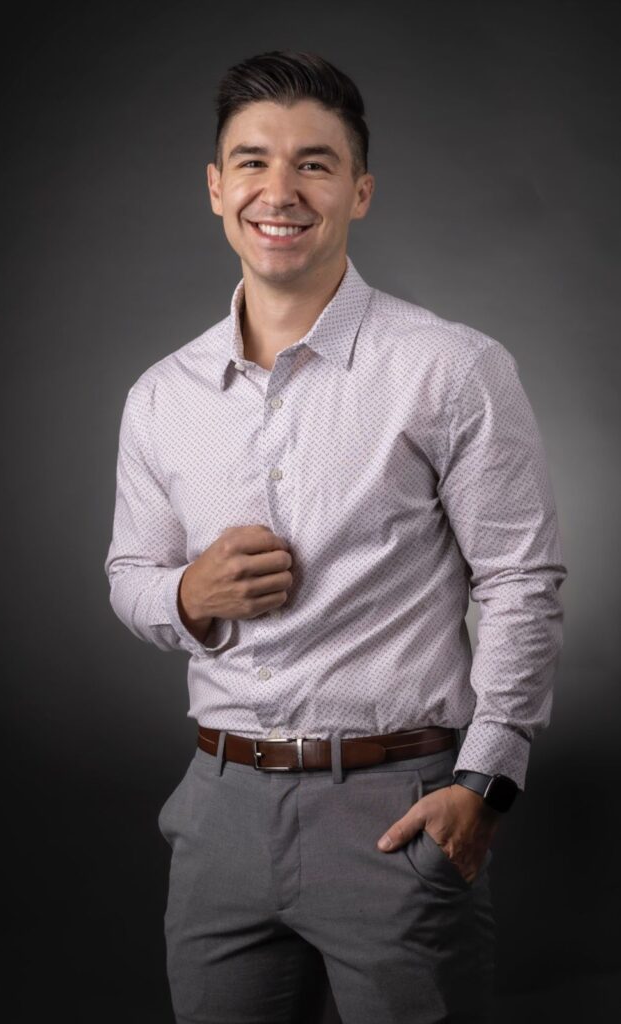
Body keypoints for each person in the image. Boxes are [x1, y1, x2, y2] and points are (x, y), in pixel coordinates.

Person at [104, 49, 567, 1024]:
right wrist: (186, 596)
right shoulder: (158, 396)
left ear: (359, 189)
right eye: (253, 161)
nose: (281, 189)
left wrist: (486, 779)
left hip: (395, 807)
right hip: (215, 811)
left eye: (314, 163)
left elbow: (521, 582)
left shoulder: (451, 369)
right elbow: (130, 574)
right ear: (215, 188)